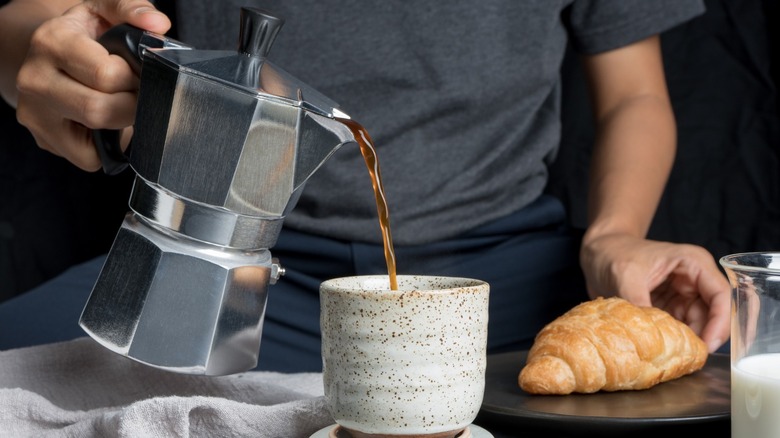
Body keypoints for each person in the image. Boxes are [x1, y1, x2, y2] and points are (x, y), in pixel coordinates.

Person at [0, 0, 730, 372]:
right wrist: (35, 44)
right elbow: (47, 19)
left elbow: (635, 95)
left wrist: (616, 235)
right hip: (250, 272)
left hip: (503, 273)